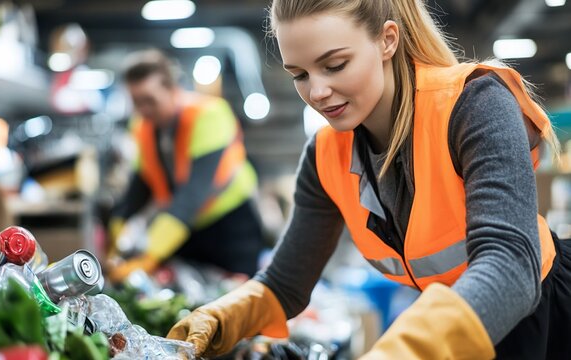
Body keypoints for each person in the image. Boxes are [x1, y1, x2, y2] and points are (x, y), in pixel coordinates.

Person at [166, 0, 571, 359]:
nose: (318, 91)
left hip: (544, 319)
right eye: (299, 74)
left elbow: (510, 264)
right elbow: (286, 282)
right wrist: (221, 317)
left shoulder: (475, 105)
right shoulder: (326, 155)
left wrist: (405, 347)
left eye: (335, 65)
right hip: (457, 329)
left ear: (386, 40)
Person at [108, 49, 264, 281]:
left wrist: (150, 256)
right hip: (186, 229)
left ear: (172, 89)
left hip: (231, 227)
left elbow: (192, 195)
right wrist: (117, 237)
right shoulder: (142, 127)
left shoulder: (210, 114)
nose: (143, 110)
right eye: (136, 102)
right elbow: (138, 187)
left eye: (150, 100)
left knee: (238, 298)